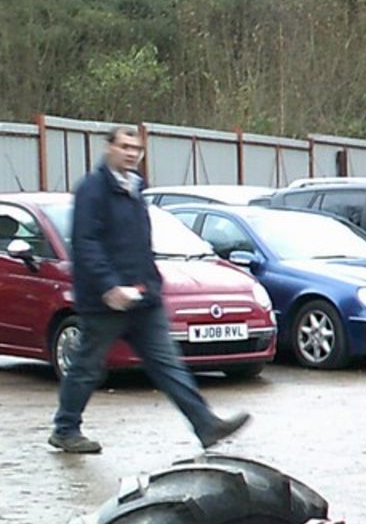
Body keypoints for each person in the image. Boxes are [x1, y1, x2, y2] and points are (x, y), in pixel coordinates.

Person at [48, 125, 249, 454]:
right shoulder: (93, 189)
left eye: (136, 148)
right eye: (125, 146)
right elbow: (85, 243)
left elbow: (139, 243)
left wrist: (152, 282)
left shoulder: (136, 188)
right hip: (105, 302)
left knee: (168, 364)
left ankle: (205, 424)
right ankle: (66, 428)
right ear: (108, 148)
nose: (131, 153)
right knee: (86, 367)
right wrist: (110, 286)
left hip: (143, 298)